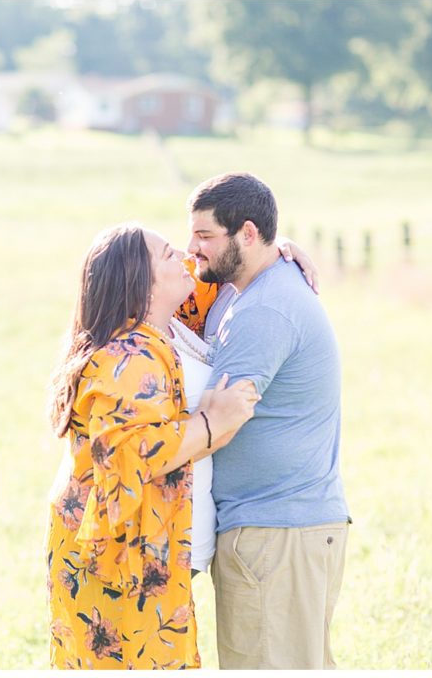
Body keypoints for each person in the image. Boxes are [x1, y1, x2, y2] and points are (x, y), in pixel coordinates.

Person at [45, 224, 260, 669]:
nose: (182, 256)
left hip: (141, 546)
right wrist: (210, 422)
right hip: (116, 555)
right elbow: (133, 451)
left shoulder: (166, 326)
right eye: (167, 255)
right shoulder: (125, 357)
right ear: (139, 283)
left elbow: (226, 273)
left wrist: (277, 253)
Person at [186, 172, 350, 669]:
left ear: (249, 234)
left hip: (274, 535)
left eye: (205, 236)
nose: (193, 248)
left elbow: (223, 420)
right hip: (279, 531)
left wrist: (139, 457)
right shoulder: (248, 284)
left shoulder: (263, 310)